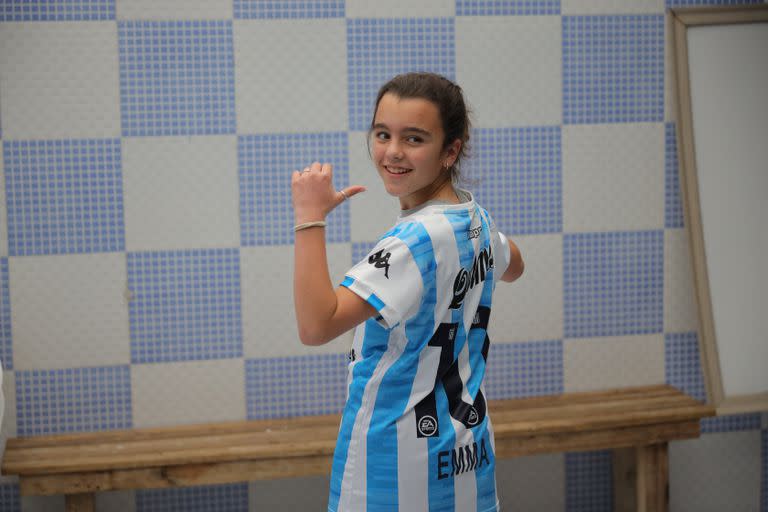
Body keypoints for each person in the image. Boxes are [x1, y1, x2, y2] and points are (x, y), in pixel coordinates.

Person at [291, 72, 524, 512]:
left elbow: (315, 326)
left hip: (393, 462)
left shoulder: (414, 243)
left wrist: (310, 217)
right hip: (466, 455)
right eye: (383, 134)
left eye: (414, 138)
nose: (392, 151)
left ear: (450, 151)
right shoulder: (475, 219)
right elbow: (515, 263)